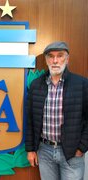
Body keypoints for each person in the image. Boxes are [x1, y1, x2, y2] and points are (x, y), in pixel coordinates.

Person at [25, 41, 88, 180]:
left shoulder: (82, 84)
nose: (55, 60)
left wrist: (82, 147)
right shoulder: (36, 85)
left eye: (60, 56)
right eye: (51, 56)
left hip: (72, 153)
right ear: (46, 60)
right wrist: (30, 149)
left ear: (67, 59)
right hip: (44, 151)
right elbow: (30, 120)